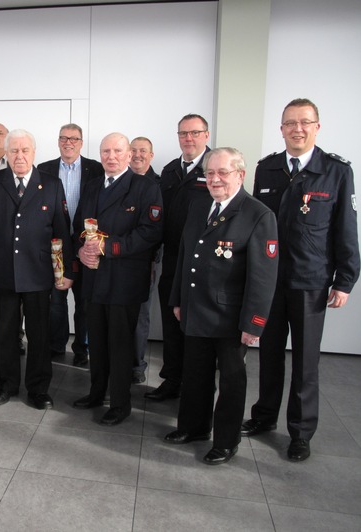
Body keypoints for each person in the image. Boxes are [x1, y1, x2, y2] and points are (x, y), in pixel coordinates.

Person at [242, 98, 360, 462]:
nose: (297, 129)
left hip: (310, 281)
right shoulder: (268, 169)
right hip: (271, 280)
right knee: (270, 354)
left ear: (317, 127)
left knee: (306, 361)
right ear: (281, 129)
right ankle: (263, 416)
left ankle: (301, 432)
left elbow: (346, 229)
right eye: (290, 123)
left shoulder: (336, 171)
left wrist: (344, 280)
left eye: (305, 122)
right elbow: (259, 227)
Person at [164, 147, 278, 465]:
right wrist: (177, 300)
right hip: (196, 310)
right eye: (209, 173)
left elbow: (263, 277)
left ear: (240, 175)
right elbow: (185, 258)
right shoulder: (199, 206)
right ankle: (194, 427)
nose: (214, 179)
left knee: (231, 382)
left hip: (231, 319)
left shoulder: (258, 215)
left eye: (222, 173)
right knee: (195, 374)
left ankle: (226, 441)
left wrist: (254, 324)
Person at [0, 129, 75, 410]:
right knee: (4, 332)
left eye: (25, 151)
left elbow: (61, 232)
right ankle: (5, 384)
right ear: (5, 154)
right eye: (14, 151)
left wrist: (64, 271)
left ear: (34, 153)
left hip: (39, 271)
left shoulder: (52, 183)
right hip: (2, 272)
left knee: (39, 334)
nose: (19, 156)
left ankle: (38, 388)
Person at [72, 133, 163, 425]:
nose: (111, 156)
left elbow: (150, 233)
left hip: (124, 279)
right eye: (106, 151)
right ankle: (96, 392)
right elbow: (79, 226)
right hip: (94, 277)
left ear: (129, 155)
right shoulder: (92, 186)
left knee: (120, 345)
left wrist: (107, 248)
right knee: (96, 340)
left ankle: (121, 404)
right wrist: (80, 251)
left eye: (117, 151)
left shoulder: (145, 187)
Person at [146, 114, 212, 402]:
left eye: (195, 133)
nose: (189, 138)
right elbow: (159, 218)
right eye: (183, 133)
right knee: (172, 326)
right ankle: (172, 380)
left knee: (197, 330)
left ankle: (195, 390)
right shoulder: (171, 170)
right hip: (173, 259)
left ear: (206, 136)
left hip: (204, 264)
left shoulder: (216, 167)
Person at [37, 123, 103, 366]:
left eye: (74, 138)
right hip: (55, 244)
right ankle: (56, 345)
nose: (69, 142)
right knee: (56, 300)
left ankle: (81, 348)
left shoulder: (95, 169)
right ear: (58, 141)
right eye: (64, 138)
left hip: (87, 245)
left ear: (81, 142)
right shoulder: (44, 169)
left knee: (86, 301)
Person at [129, 136, 160, 383]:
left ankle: (136, 366)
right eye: (134, 150)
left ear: (151, 155)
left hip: (147, 260)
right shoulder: (120, 181)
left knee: (140, 315)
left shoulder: (158, 183)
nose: (138, 155)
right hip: (118, 259)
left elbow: (157, 228)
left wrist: (151, 261)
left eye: (143, 151)